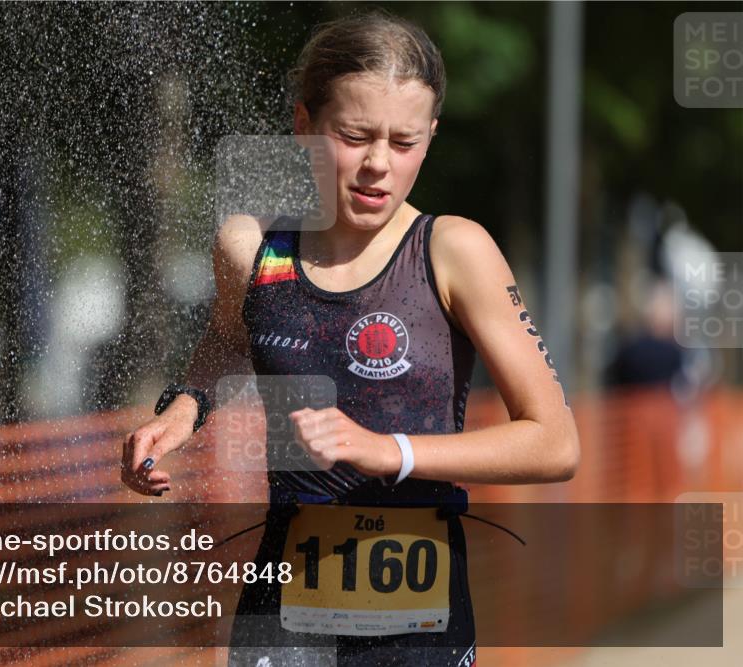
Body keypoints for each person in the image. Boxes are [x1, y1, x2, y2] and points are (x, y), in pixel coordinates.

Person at [121, 11, 579, 667]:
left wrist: (385, 450)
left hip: (418, 627)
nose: (377, 166)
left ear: (432, 136)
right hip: (281, 618)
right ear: (305, 126)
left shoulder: (453, 251)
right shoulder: (251, 246)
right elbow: (228, 341)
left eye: (404, 142)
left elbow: (555, 441)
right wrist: (180, 414)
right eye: (355, 135)